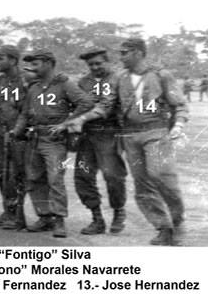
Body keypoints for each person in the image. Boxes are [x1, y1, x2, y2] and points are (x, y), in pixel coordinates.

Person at [55, 38, 189, 245]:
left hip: (156, 131)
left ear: (138, 53)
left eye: (124, 52)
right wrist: (80, 119)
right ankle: (163, 228)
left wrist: (179, 125)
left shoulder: (161, 75)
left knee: (161, 175)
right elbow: (105, 106)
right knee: (142, 185)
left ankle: (178, 223)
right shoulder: (119, 78)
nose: (121, 56)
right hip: (130, 135)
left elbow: (179, 104)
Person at [12, 49, 96, 238]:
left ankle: (59, 220)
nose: (32, 67)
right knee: (34, 179)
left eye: (36, 63)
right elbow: (25, 113)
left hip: (54, 140)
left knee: (55, 179)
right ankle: (45, 216)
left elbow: (86, 103)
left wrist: (66, 123)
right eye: (31, 64)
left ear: (49, 63)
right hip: (35, 138)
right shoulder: (33, 87)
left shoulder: (64, 83)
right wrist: (17, 131)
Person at [74, 49, 127, 235]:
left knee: (113, 176)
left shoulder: (118, 79)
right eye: (91, 65)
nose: (95, 67)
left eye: (98, 63)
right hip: (87, 135)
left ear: (107, 62)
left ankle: (119, 212)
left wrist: (81, 119)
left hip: (109, 132)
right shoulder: (83, 82)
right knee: (83, 177)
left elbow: (107, 105)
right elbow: (78, 104)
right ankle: (97, 218)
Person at [0, 45, 27, 230]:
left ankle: (18, 215)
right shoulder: (0, 81)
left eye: (0, 58)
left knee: (16, 175)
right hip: (2, 133)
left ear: (12, 60)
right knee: (4, 175)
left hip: (20, 135)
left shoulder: (26, 80)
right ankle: (8, 212)